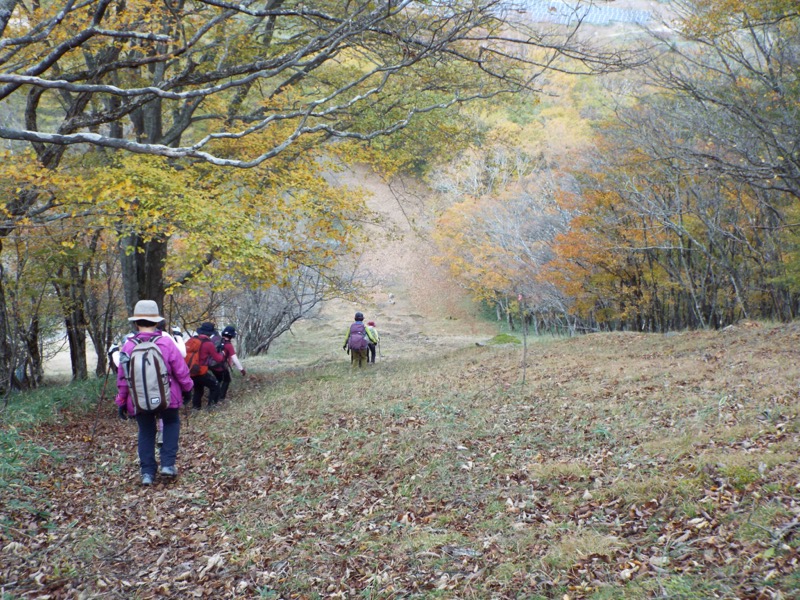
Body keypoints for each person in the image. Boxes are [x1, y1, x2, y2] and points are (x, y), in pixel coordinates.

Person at [115, 300, 193, 486]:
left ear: (136, 323)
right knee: (171, 422)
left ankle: (147, 473)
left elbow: (122, 378)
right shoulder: (166, 342)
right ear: (157, 322)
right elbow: (181, 370)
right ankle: (167, 465)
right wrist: (188, 389)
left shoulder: (128, 346)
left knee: (146, 431)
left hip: (138, 400)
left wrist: (121, 401)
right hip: (168, 397)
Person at [187, 322, 225, 410]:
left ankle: (196, 408)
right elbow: (218, 359)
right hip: (201, 371)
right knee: (215, 386)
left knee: (198, 389)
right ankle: (211, 408)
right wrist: (222, 353)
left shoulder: (192, 340)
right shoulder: (208, 344)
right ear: (210, 333)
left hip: (191, 370)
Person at [210, 325, 247, 401]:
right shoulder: (228, 345)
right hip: (221, 367)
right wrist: (241, 369)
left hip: (211, 366)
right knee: (227, 380)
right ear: (231, 336)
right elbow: (235, 359)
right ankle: (220, 397)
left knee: (218, 380)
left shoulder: (216, 340)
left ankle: (214, 396)